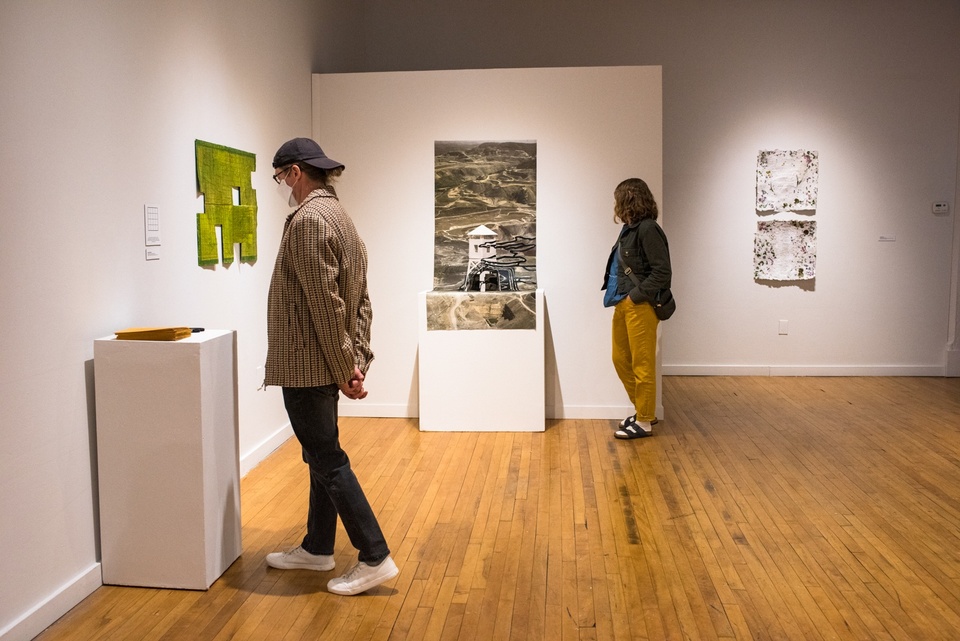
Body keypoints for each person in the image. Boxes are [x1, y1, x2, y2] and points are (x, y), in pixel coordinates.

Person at [263, 137, 398, 595]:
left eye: (281, 176)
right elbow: (359, 298)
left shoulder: (307, 220)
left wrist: (345, 368)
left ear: (296, 172)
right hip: (327, 361)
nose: (282, 184)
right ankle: (318, 547)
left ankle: (374, 554)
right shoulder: (340, 216)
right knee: (320, 454)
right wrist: (356, 359)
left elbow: (325, 302)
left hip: (308, 364)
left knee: (327, 458)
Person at [601, 178, 672, 440]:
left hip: (639, 306)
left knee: (642, 365)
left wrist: (635, 297)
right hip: (622, 302)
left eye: (618, 199)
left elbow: (662, 272)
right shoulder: (629, 229)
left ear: (629, 199)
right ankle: (644, 410)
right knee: (620, 360)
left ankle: (644, 421)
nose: (616, 205)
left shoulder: (648, 229)